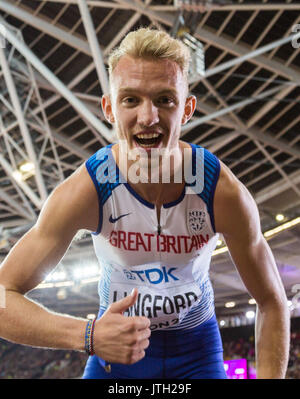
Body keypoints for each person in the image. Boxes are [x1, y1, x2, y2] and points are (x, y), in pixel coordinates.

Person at [0, 28, 290, 379]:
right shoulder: (88, 190)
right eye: (130, 100)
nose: (148, 117)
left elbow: (273, 301)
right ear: (109, 108)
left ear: (186, 109)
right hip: (115, 353)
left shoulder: (221, 191)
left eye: (165, 99)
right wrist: (87, 335)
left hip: (197, 352)